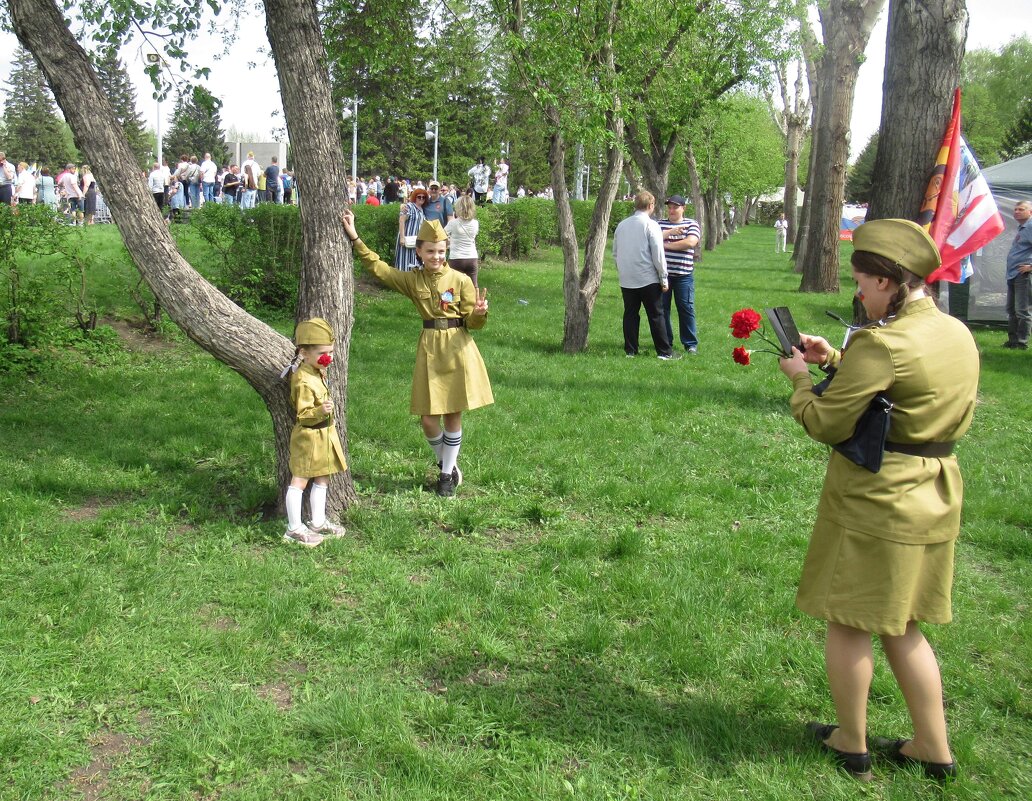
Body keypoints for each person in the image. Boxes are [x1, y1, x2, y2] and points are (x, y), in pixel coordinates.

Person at [778, 219, 979, 783]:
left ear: (891, 283)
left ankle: (851, 740)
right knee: (903, 625)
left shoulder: (881, 341)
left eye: (864, 281)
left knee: (848, 619)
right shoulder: (955, 332)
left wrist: (799, 378)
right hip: (935, 492)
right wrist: (834, 364)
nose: (858, 292)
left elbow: (824, 420)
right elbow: (911, 394)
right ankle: (932, 747)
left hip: (878, 500)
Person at [341, 211, 492, 497]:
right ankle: (445, 461)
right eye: (431, 251)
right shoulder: (414, 281)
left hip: (458, 348)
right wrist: (356, 238)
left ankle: (446, 475)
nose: (436, 256)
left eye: (441, 251)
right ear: (419, 252)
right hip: (430, 349)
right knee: (428, 419)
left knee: (452, 413)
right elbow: (380, 270)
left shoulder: (460, 280)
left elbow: (472, 323)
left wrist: (480, 314)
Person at [282, 318, 348, 547]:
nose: (327, 357)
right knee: (300, 479)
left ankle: (318, 522)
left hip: (324, 435)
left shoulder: (316, 370)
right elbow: (302, 415)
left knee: (323, 476)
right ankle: (294, 529)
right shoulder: (302, 378)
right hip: (309, 436)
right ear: (304, 353)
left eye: (330, 351)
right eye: (322, 352)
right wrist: (320, 410)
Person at [613, 191, 677, 360]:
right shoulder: (651, 225)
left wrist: (622, 270)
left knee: (630, 314)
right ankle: (664, 352)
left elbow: (615, 252)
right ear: (651, 205)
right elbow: (658, 254)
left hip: (627, 278)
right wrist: (664, 278)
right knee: (656, 315)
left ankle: (630, 350)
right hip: (647, 277)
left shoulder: (622, 225)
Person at [658, 195, 701, 354]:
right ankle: (666, 341)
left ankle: (690, 344)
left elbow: (690, 242)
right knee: (662, 309)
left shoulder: (692, 224)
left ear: (683, 208)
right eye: (669, 207)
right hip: (663, 275)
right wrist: (670, 233)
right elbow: (650, 240)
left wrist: (664, 245)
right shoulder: (660, 224)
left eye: (675, 207)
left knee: (686, 308)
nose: (671, 210)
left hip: (684, 275)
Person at [1003, 199, 1032, 350]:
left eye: (1021, 209)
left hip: (1023, 276)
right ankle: (1012, 341)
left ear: (1030, 212)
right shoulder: (1023, 228)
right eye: (1016, 209)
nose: (1017, 212)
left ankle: (1022, 342)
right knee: (1012, 309)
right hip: (1013, 274)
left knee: (1022, 310)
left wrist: (1030, 267)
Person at [445, 194, 480, 286]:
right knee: (473, 286)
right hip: (472, 257)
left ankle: (452, 301)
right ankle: (475, 300)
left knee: (452, 287)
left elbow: (441, 235)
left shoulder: (453, 223)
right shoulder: (476, 223)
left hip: (456, 258)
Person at [396, 188, 428, 271]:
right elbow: (401, 220)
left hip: (416, 242)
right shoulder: (409, 206)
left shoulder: (422, 210)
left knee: (414, 263)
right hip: (406, 239)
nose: (421, 199)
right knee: (404, 263)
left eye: (423, 197)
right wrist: (402, 237)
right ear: (415, 197)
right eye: (419, 197)